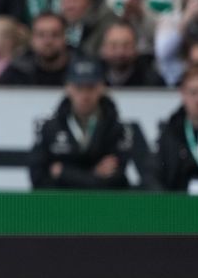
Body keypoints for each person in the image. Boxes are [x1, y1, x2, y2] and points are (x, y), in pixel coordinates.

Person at [28, 56, 134, 190]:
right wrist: (94, 174)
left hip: (104, 206)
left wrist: (64, 173)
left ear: (101, 87)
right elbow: (38, 178)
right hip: (60, 206)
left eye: (90, 87)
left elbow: (115, 179)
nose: (85, 95)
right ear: (68, 88)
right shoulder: (50, 128)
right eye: (79, 87)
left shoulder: (116, 129)